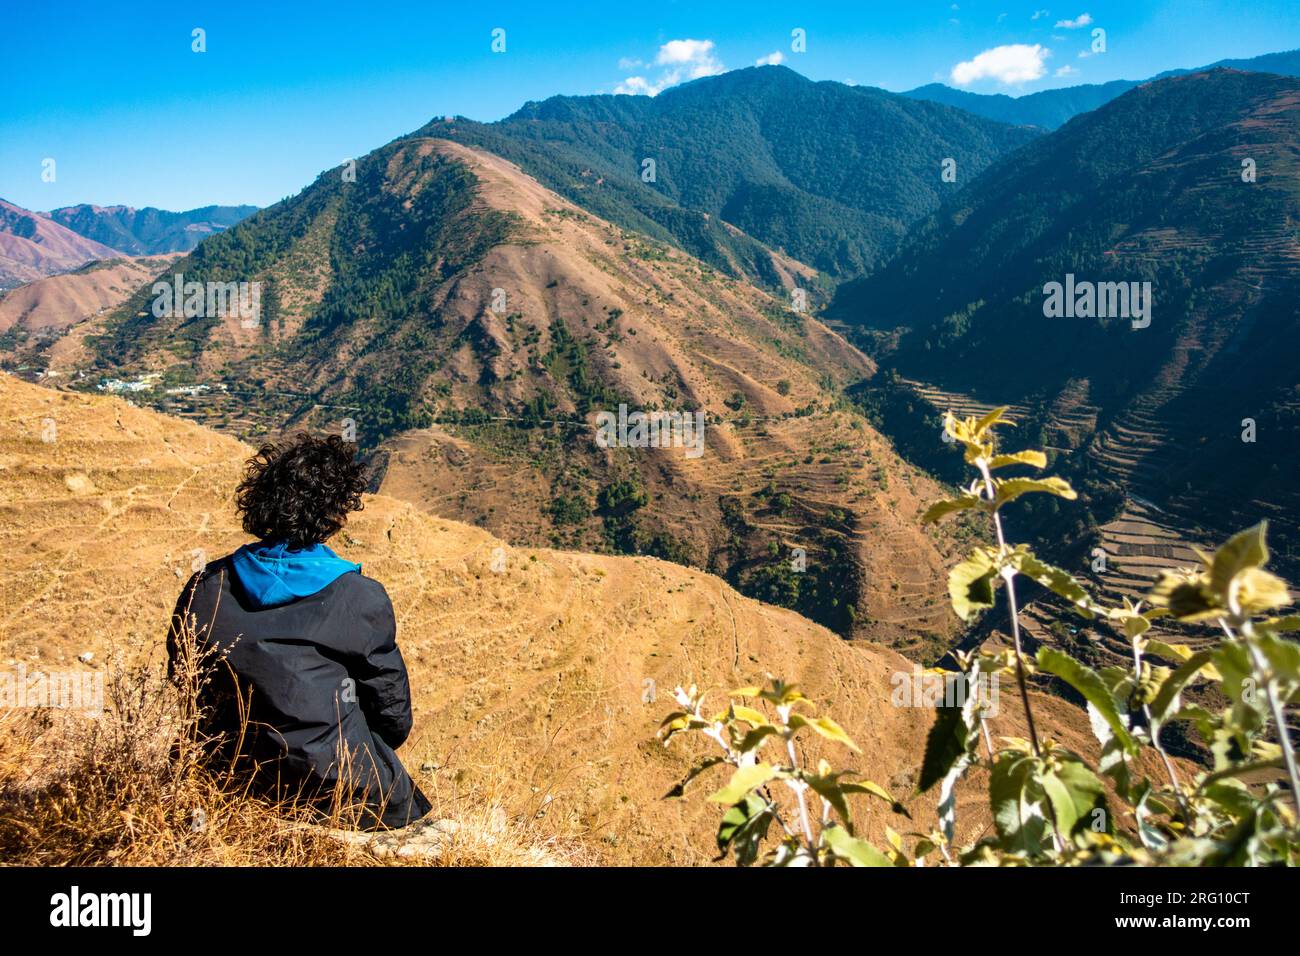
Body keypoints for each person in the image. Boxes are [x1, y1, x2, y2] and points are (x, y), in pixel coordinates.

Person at [167, 432, 431, 830]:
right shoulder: (358, 597)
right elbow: (393, 715)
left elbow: (186, 680)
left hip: (226, 779)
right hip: (341, 794)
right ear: (335, 514)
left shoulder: (205, 588)